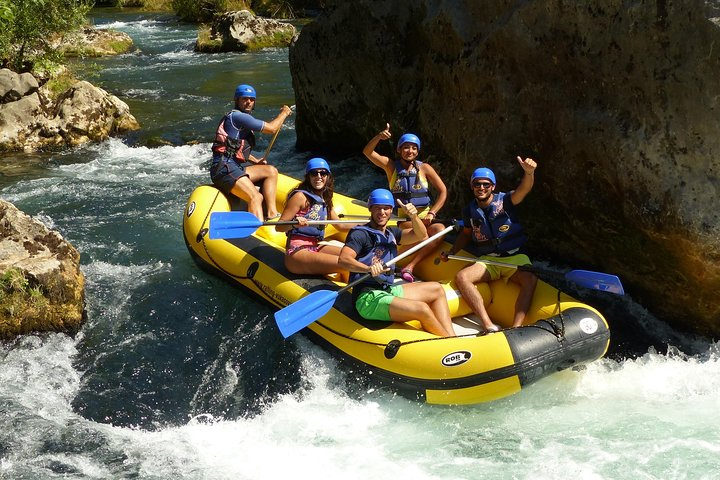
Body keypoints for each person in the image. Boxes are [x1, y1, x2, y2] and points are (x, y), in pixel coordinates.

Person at [338, 188, 456, 337]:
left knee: (437, 289)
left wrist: (413, 217)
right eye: (378, 208)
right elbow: (343, 259)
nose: (382, 212)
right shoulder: (360, 234)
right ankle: (446, 343)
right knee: (422, 309)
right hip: (367, 298)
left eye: (386, 208)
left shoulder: (392, 233)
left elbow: (421, 235)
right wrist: (367, 268)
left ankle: (452, 336)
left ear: (391, 210)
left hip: (387, 290)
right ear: (370, 209)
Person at [441, 157, 538, 331]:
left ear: (493, 186)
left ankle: (516, 327)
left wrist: (529, 173)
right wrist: (452, 250)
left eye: (486, 185)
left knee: (530, 279)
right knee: (462, 277)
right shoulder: (469, 210)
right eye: (477, 184)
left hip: (514, 257)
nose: (481, 188)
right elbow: (466, 234)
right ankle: (487, 324)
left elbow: (523, 190)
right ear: (472, 187)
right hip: (489, 260)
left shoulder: (507, 201)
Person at [362, 124, 448, 282]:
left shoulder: (425, 168)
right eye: (406, 147)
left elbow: (443, 191)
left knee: (440, 230)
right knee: (422, 236)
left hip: (426, 216)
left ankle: (410, 266)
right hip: (406, 219)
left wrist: (432, 212)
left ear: (418, 151)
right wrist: (379, 137)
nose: (410, 151)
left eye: (414, 148)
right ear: (399, 150)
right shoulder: (391, 166)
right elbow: (367, 152)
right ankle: (393, 261)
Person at [210, 83, 293, 221]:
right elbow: (272, 129)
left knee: (270, 171)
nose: (248, 102)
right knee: (256, 196)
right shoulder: (238, 117)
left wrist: (255, 161)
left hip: (233, 166)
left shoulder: (241, 120)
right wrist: (284, 113)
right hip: (224, 168)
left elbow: (234, 148)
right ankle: (257, 228)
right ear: (237, 100)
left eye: (251, 99)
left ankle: (272, 214)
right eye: (244, 98)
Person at [275, 158, 356, 278]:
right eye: (314, 173)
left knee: (358, 258)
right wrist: (293, 224)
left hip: (315, 245)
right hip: (297, 251)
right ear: (308, 177)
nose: (319, 176)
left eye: (323, 173)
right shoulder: (300, 197)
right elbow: (279, 227)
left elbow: (341, 226)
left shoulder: (324, 199)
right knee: (347, 263)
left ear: (328, 176)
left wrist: (366, 225)